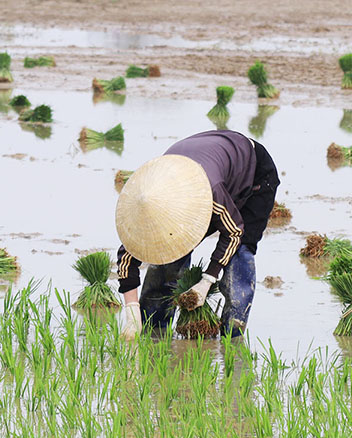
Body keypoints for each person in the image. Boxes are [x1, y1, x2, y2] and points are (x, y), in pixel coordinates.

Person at [115, 129, 280, 340]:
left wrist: (206, 281)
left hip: (252, 170)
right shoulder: (147, 201)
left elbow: (234, 232)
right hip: (201, 159)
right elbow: (128, 255)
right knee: (168, 253)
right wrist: (132, 311)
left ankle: (232, 338)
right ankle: (153, 334)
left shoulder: (211, 193)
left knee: (240, 254)